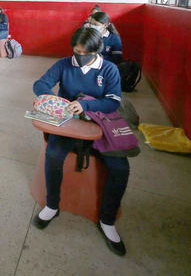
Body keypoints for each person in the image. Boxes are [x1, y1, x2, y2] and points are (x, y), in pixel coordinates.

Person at [32, 27, 128, 256]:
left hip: (100, 123)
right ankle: (52, 205)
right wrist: (55, 100)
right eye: (76, 51)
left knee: (120, 167)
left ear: (97, 50)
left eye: (85, 52)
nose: (79, 56)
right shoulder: (65, 64)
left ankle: (107, 220)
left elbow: (113, 101)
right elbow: (40, 84)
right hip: (68, 120)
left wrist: (85, 105)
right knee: (54, 154)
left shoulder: (109, 69)